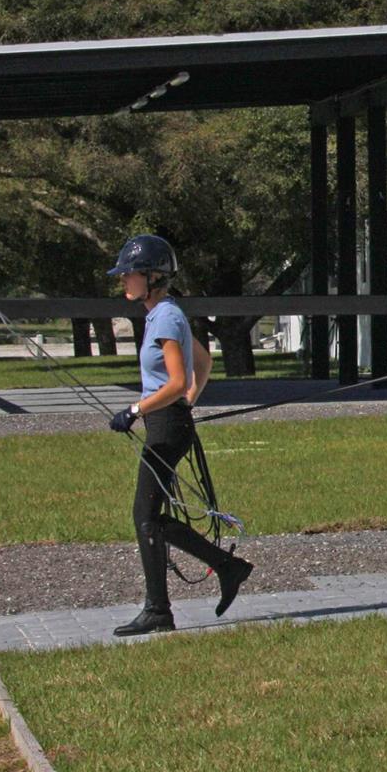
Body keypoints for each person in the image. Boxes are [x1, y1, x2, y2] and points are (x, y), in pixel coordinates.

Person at [105, 234, 252, 636]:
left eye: (130, 274)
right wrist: (186, 400)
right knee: (149, 516)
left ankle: (159, 610)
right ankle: (227, 567)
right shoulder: (162, 315)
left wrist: (136, 410)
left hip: (167, 426)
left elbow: (175, 381)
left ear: (152, 277)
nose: (124, 280)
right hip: (167, 422)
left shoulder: (166, 317)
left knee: (144, 516)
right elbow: (202, 362)